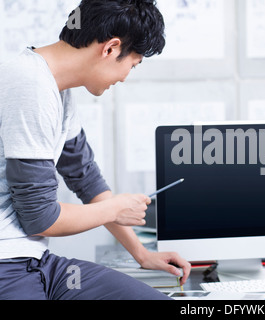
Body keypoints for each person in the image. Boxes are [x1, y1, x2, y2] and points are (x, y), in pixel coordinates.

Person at [0, 0, 191, 300]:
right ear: (111, 49)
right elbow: (39, 218)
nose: (125, 77)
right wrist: (116, 207)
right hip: (7, 265)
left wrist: (141, 254)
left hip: (37, 263)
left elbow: (86, 179)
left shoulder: (57, 90)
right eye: (133, 64)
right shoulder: (29, 85)